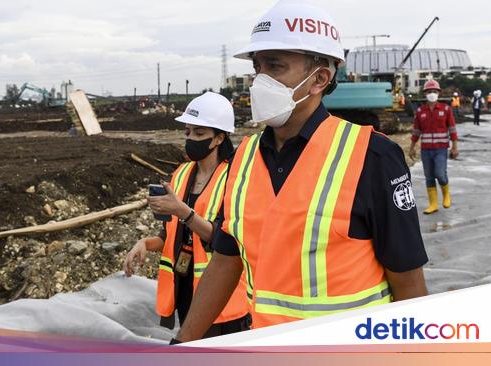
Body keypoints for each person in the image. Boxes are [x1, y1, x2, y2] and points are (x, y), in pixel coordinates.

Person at [173, 1, 428, 343]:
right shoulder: (243, 159)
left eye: (275, 66)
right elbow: (226, 259)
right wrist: (181, 344)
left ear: (319, 79)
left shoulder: (373, 157)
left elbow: (408, 282)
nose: (259, 80)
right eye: (257, 67)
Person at [124, 92, 250, 338]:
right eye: (188, 132)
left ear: (219, 138)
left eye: (199, 133)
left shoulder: (235, 179)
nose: (191, 138)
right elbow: (171, 235)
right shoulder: (181, 174)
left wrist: (182, 211)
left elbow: (225, 240)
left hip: (221, 296)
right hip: (185, 288)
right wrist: (145, 244)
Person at [409, 80, 458, 214]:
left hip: (441, 149)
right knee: (429, 177)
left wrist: (454, 147)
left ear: (438, 93)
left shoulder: (446, 109)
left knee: (440, 175)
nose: (432, 94)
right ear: (425, 94)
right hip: (426, 150)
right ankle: (433, 204)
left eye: (434, 92)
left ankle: (446, 194)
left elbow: (452, 129)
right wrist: (412, 147)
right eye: (429, 92)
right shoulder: (420, 111)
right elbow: (416, 131)